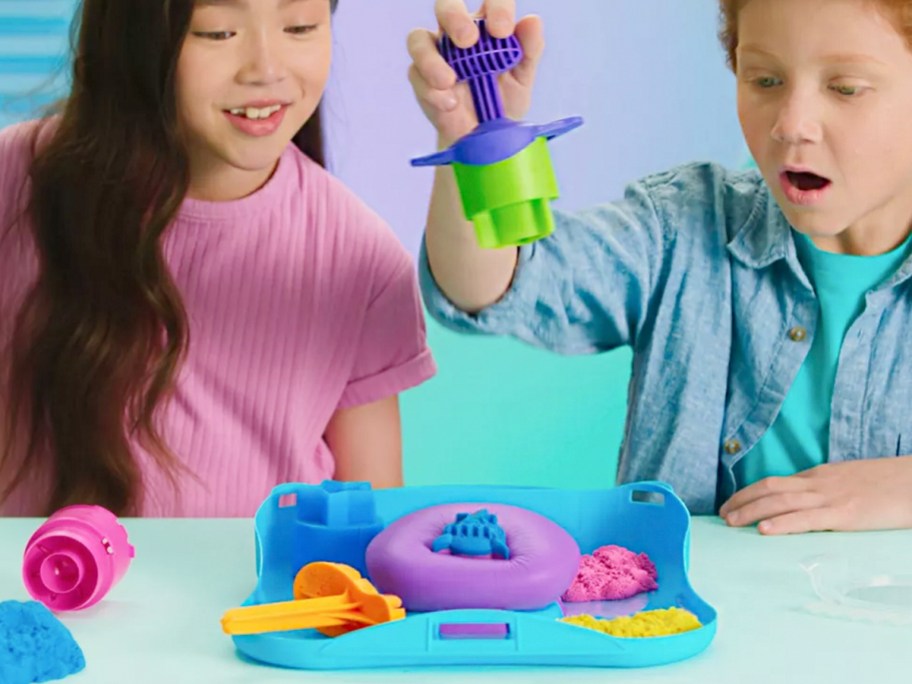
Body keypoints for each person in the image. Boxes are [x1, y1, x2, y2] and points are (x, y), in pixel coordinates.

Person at [407, 0, 912, 534]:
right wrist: (474, 139)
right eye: (764, 80)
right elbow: (494, 287)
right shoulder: (682, 225)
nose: (791, 125)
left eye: (847, 88)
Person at [0, 0, 436, 517]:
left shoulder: (361, 256)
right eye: (218, 32)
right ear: (131, 38)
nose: (267, 70)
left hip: (251, 595)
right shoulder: (18, 180)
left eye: (300, 27)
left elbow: (373, 516)